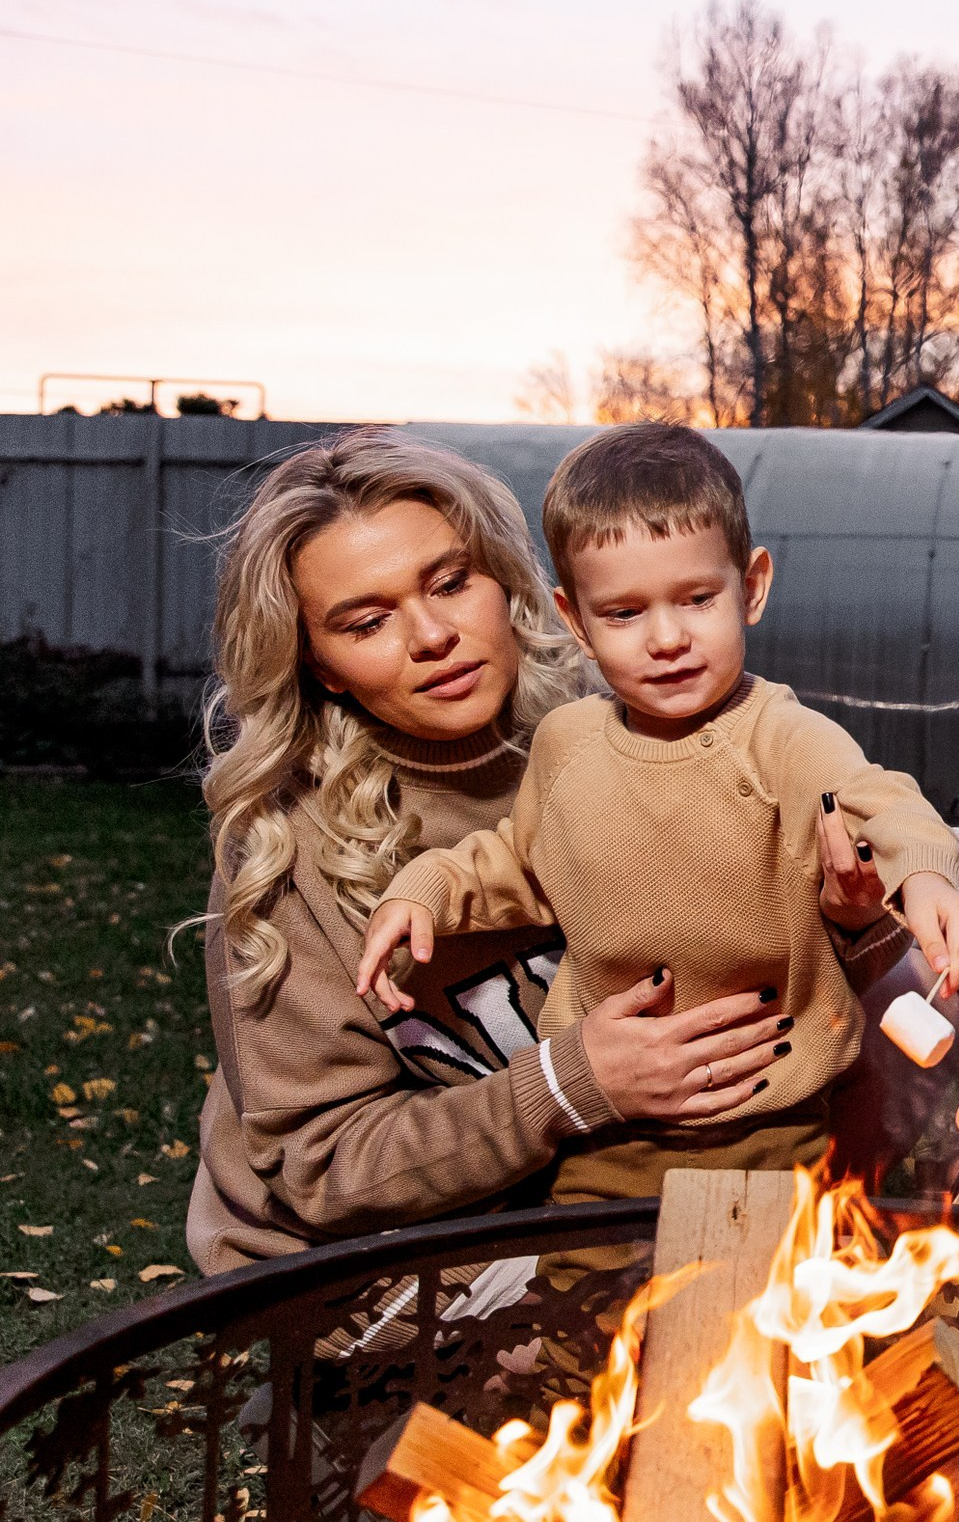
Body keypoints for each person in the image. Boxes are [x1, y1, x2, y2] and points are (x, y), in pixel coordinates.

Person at [186, 429, 897, 1273]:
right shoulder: (286, 852)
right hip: (382, 1269)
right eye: (369, 622)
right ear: (322, 664)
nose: (432, 635)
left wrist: (850, 918)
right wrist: (568, 1084)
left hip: (610, 1202)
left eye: (452, 583)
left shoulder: (616, 745)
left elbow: (771, 984)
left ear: (508, 582)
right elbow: (321, 1165)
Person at [356, 423, 959, 1202]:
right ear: (576, 620)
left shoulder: (784, 738)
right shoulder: (567, 744)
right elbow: (516, 860)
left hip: (763, 1118)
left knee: (758, 1280)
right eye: (624, 613)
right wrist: (424, 889)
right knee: (585, 1281)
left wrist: (925, 877)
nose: (666, 638)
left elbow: (883, 803)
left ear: (751, 587)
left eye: (697, 599)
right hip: (604, 1131)